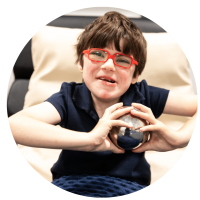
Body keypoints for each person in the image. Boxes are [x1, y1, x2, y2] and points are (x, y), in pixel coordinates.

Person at [8, 11, 198, 197]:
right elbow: (15, 126)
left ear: (135, 75)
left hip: (129, 186)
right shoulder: (69, 97)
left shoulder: (143, 94)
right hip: (73, 183)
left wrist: (178, 138)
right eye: (97, 54)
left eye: (122, 60)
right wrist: (90, 141)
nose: (108, 65)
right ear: (81, 64)